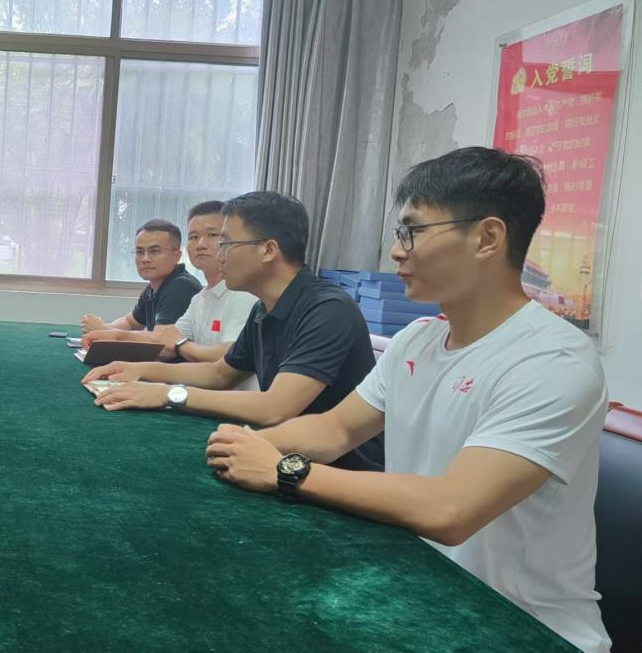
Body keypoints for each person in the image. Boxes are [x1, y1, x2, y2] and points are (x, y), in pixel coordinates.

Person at [205, 148, 610, 652]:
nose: (397, 251)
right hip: (421, 594)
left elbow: (451, 509)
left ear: (487, 237)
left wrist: (284, 471)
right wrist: (242, 446)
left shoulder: (553, 360)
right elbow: (334, 430)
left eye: (413, 231)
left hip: (520, 626)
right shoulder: (417, 339)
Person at [84, 192, 383, 471]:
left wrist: (168, 394)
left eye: (225, 243)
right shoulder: (264, 309)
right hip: (278, 452)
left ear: (268, 250)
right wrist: (140, 369)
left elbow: (276, 407)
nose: (218, 254)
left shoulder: (327, 309)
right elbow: (220, 374)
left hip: (334, 470)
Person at [82, 201, 258, 363]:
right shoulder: (200, 298)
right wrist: (114, 336)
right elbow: (163, 344)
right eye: (193, 237)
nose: (200, 244)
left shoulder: (245, 294)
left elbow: (228, 360)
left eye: (212, 234)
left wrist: (181, 345)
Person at [80, 218, 201, 334]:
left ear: (176, 255)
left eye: (154, 251)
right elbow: (129, 322)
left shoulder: (181, 287)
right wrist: (104, 328)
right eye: (139, 252)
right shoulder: (153, 288)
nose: (145, 259)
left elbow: (160, 341)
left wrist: (104, 331)